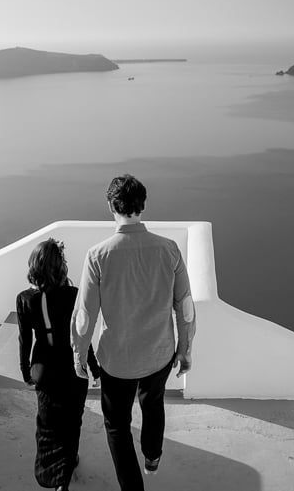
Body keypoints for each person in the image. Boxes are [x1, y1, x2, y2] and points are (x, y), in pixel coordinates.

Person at [70, 174, 196, 491]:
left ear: (112, 206)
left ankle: (132, 487)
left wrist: (79, 352)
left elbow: (86, 313)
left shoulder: (97, 256)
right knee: (153, 404)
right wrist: (185, 348)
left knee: (116, 424)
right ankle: (152, 457)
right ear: (143, 205)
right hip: (159, 354)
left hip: (116, 360)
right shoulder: (169, 250)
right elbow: (185, 306)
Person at [17, 238, 101, 491]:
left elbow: (25, 339)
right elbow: (82, 336)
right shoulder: (74, 295)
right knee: (71, 422)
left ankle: (50, 474)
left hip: (44, 369)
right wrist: (94, 367)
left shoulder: (25, 299)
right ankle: (65, 474)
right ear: (60, 266)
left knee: (48, 423)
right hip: (73, 368)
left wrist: (25, 372)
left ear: (34, 266)